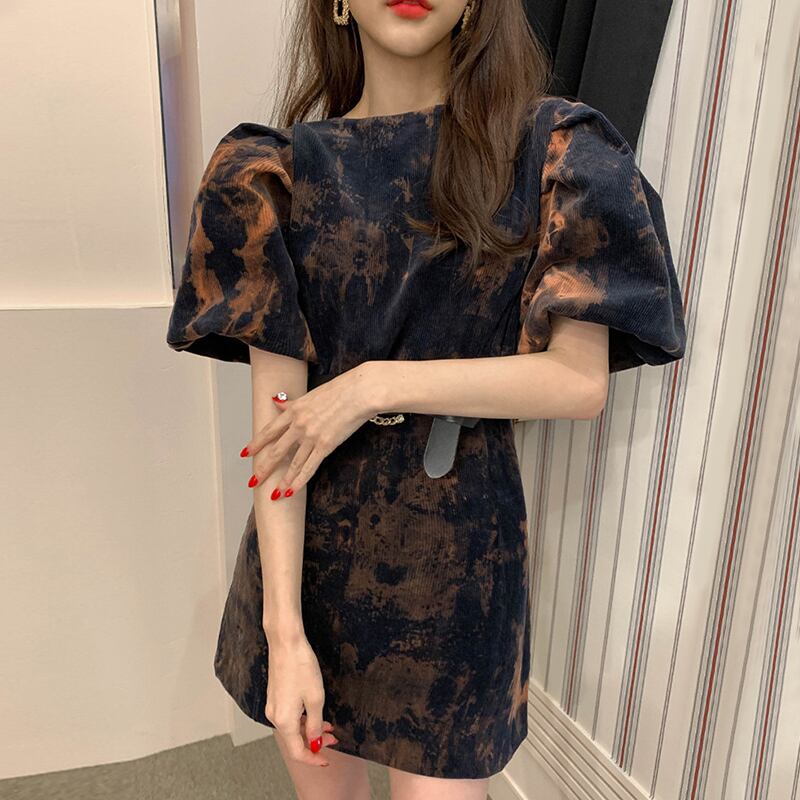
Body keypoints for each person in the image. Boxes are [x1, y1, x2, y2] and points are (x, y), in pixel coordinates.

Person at [165, 0, 687, 797]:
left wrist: (373, 385)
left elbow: (577, 382)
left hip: (458, 574)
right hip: (308, 568)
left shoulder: (554, 150)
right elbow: (280, 437)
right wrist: (284, 632)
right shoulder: (272, 174)